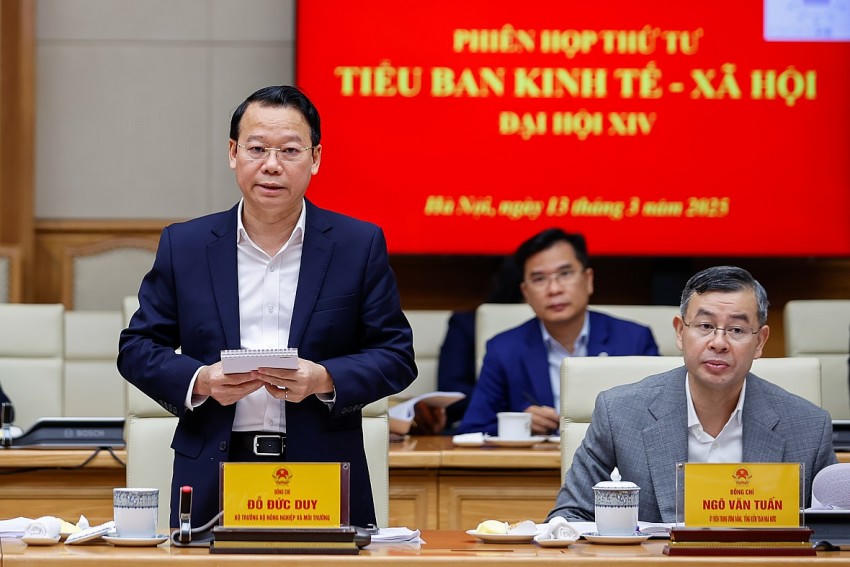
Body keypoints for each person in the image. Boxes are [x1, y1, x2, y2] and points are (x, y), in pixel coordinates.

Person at [118, 85, 416, 530]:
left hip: (322, 473)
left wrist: (324, 378)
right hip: (214, 471)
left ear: (315, 158)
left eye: (290, 150)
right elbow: (137, 348)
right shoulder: (187, 245)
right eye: (257, 148)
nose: (272, 165)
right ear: (233, 153)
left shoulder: (357, 245)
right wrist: (202, 381)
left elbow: (396, 356)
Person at [547, 266, 836, 523]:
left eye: (736, 329)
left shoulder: (808, 427)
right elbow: (570, 516)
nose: (719, 343)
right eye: (705, 326)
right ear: (680, 332)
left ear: (760, 342)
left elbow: (833, 531)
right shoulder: (619, 413)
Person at [458, 228, 659, 435]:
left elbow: (660, 420)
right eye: (539, 279)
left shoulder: (634, 340)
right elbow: (472, 430)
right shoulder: (504, 349)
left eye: (565, 274)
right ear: (526, 293)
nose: (554, 289)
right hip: (540, 456)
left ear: (588, 280)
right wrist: (521, 424)